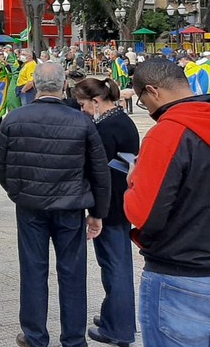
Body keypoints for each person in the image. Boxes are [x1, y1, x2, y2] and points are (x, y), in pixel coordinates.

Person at [0, 62, 111, 347]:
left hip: (31, 205)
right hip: (70, 206)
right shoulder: (81, 121)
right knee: (72, 272)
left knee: (33, 269)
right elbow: (99, 171)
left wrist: (16, 190)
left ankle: (34, 335)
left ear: (34, 83)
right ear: (63, 86)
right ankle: (72, 338)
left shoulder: (15, 118)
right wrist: (97, 213)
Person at [125, 59, 210, 347]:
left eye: (142, 100)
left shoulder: (168, 132)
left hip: (182, 276)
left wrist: (132, 181)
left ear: (153, 91)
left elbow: (143, 213)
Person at [72, 77, 139, 347]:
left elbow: (100, 174)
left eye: (83, 105)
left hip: (109, 204)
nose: (82, 111)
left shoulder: (104, 129)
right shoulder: (123, 122)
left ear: (96, 101)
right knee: (119, 264)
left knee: (115, 267)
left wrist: (96, 210)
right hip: (122, 199)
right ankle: (117, 315)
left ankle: (119, 328)